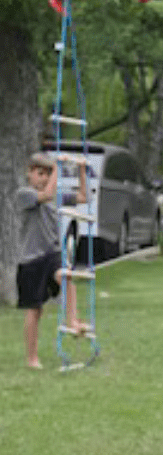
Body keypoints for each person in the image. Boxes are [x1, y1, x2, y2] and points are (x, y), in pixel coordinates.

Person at [15, 152, 88, 369]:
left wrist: (81, 171)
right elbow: (46, 195)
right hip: (31, 259)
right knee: (35, 310)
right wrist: (57, 167)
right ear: (29, 174)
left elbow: (83, 198)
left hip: (52, 253)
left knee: (66, 276)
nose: (45, 178)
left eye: (48, 174)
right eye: (40, 173)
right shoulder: (24, 194)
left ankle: (72, 320)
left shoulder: (55, 196)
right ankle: (32, 358)